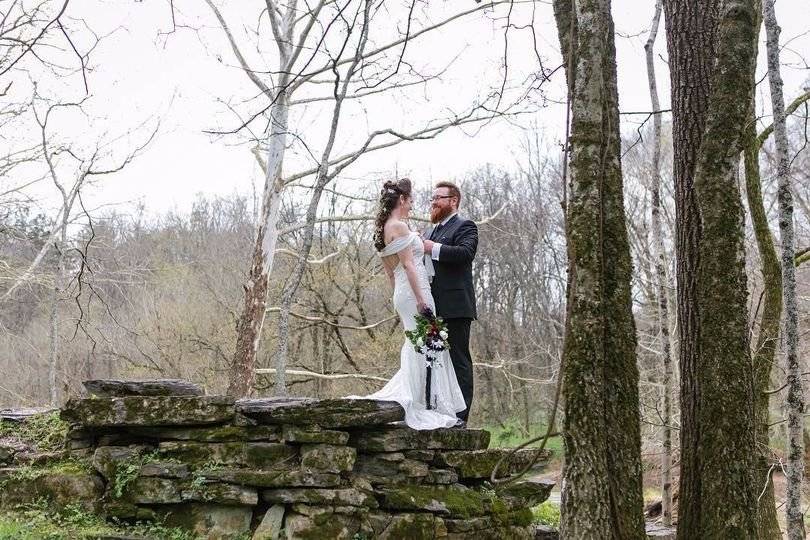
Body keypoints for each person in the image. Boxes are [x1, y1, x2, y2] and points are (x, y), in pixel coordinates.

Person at [350, 178, 466, 430]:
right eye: (411, 200)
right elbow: (408, 265)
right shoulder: (400, 227)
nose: (413, 205)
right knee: (425, 345)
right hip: (416, 292)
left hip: (403, 293)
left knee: (419, 344)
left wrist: (399, 297)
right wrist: (422, 300)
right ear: (401, 200)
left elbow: (391, 274)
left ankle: (423, 399)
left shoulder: (383, 230)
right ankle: (420, 403)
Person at [422, 181, 478, 425]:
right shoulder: (430, 231)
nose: (433, 202)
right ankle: (439, 412)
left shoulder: (465, 226)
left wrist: (431, 248)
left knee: (458, 361)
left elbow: (465, 254)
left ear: (453, 201)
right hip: (433, 307)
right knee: (434, 361)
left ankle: (461, 417)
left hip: (456, 307)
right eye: (432, 198)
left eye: (438, 198)